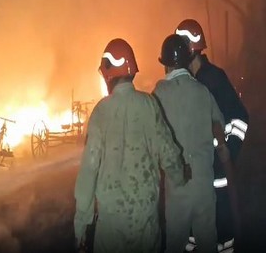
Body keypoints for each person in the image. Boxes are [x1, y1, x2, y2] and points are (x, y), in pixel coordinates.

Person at [74, 38, 190, 253]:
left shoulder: (100, 112)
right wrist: (181, 175)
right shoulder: (149, 104)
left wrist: (81, 224)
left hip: (111, 228)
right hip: (146, 224)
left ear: (108, 74)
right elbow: (168, 152)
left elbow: (89, 170)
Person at [175, 19, 249, 253]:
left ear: (189, 49)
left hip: (217, 178)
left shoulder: (214, 79)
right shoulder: (188, 82)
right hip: (196, 179)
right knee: (193, 239)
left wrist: (229, 150)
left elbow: (239, 118)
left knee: (222, 237)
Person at [153, 34, 231, 253]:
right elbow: (220, 126)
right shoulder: (202, 91)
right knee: (207, 243)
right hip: (204, 186)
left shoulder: (158, 95)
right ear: (188, 61)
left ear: (165, 65)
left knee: (176, 245)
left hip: (177, 189)